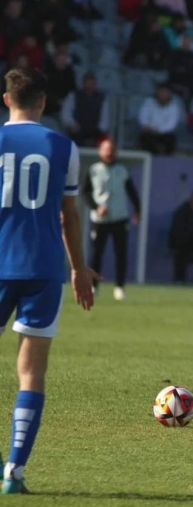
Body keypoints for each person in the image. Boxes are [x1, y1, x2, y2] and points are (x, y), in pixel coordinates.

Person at [0, 67, 97, 494]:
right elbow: (68, 216)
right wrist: (78, 268)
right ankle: (14, 473)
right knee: (31, 373)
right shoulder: (63, 147)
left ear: (7, 100)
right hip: (43, 268)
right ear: (42, 102)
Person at [83, 139, 141, 301]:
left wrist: (138, 209)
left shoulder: (122, 170)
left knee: (121, 253)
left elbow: (132, 192)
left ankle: (120, 287)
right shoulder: (93, 170)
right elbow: (86, 193)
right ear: (100, 151)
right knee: (96, 254)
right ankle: (94, 286)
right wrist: (96, 207)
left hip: (119, 218)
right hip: (100, 220)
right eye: (106, 149)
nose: (109, 153)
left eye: (112, 149)